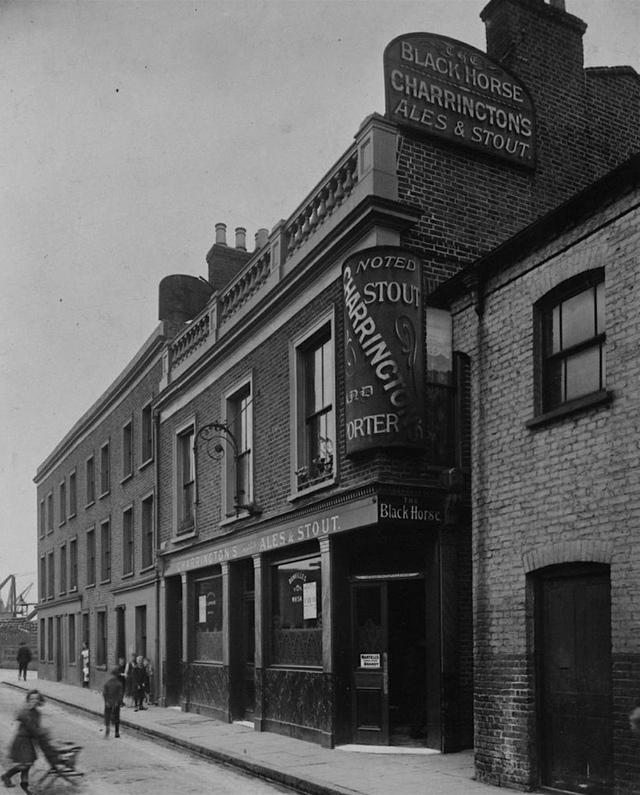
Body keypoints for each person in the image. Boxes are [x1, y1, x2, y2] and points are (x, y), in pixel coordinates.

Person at [2, 690, 47, 793]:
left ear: (39, 700)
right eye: (32, 699)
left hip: (30, 741)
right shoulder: (25, 711)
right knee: (25, 764)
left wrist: (39, 739)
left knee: (28, 765)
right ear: (28, 700)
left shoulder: (37, 713)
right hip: (22, 740)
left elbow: (37, 727)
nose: (34, 701)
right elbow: (30, 727)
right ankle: (6, 775)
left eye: (36, 698)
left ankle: (25, 787)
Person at [102, 667, 124, 739]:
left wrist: (106, 701)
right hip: (116, 702)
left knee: (107, 716)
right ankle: (116, 732)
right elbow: (121, 694)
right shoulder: (119, 683)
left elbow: (104, 693)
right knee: (116, 716)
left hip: (109, 702)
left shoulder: (107, 682)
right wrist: (119, 701)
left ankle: (107, 729)